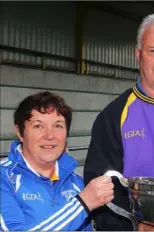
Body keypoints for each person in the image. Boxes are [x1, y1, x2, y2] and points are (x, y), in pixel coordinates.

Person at [0, 91, 114, 231]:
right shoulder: (4, 178)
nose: (49, 135)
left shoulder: (76, 182)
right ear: (20, 132)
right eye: (38, 126)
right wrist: (83, 204)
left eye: (58, 125)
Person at [84, 14, 154, 231]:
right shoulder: (113, 117)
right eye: (153, 51)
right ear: (138, 54)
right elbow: (103, 197)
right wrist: (135, 227)